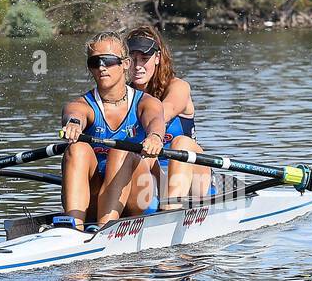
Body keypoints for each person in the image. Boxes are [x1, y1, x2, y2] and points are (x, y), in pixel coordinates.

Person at [56, 32, 166, 229]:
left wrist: (155, 137)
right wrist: (73, 124)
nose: (101, 67)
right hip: (95, 197)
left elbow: (155, 121)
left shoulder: (146, 102)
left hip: (138, 200)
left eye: (108, 60)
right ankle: (73, 227)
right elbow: (74, 114)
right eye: (94, 62)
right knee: (77, 149)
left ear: (125, 63)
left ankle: (106, 228)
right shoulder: (82, 104)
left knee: (122, 150)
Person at [124, 24, 212, 206]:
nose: (138, 66)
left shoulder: (178, 87)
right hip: (152, 178)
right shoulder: (123, 97)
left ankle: (170, 209)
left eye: (144, 58)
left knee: (181, 143)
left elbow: (164, 112)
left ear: (157, 58)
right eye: (132, 59)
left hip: (195, 180)